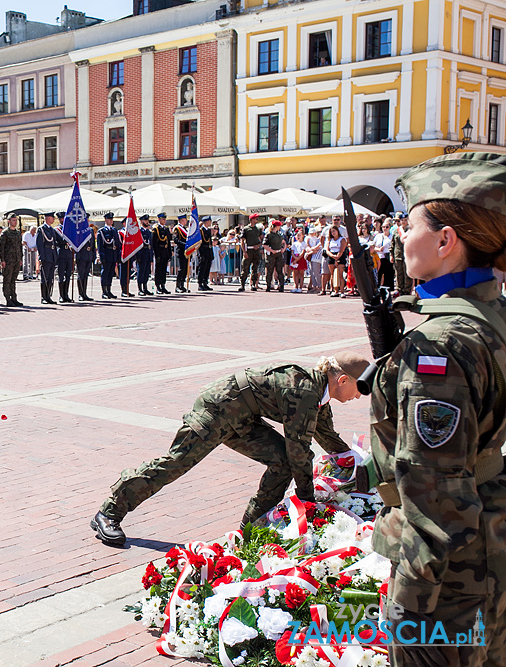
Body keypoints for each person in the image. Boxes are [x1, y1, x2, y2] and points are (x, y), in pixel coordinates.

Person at [363, 152, 506, 665]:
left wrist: (410, 608)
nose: (401, 238)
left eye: (409, 225)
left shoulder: (438, 347)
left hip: (450, 585)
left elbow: (436, 497)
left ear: (446, 241)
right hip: (492, 546)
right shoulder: (492, 312)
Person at [91, 351, 369, 545]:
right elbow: (300, 450)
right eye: (359, 389)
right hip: (217, 410)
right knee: (177, 463)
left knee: (282, 461)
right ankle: (110, 511)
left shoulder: (318, 395)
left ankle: (251, 531)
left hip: (244, 416)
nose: (358, 396)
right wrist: (308, 501)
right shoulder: (306, 393)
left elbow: (328, 437)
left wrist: (358, 466)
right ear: (342, 380)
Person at [0, 213, 24, 307]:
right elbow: (1, 247)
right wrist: (2, 260)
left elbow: (19, 247)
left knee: (13, 280)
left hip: (16, 260)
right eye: (13, 220)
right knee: (7, 280)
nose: (15, 222)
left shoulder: (17, 233)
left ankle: (14, 298)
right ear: (9, 221)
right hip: (8, 260)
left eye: (16, 220)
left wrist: (20, 258)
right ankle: (8, 298)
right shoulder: (5, 233)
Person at [36, 212, 60, 304]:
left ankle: (48, 296)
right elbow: (40, 244)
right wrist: (42, 256)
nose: (53, 219)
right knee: (45, 278)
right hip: (46, 255)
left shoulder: (52, 230)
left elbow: (54, 243)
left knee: (50, 278)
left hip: (52, 256)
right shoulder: (41, 229)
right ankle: (43, 297)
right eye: (51, 217)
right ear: (47, 218)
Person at [97, 213, 120, 299]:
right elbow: (100, 246)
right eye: (109, 219)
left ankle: (109, 290)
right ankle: (104, 291)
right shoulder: (102, 231)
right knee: (105, 274)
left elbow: (117, 244)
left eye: (111, 219)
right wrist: (102, 257)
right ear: (105, 220)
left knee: (111, 274)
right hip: (106, 255)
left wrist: (117, 256)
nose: (111, 221)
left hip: (113, 255)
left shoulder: (114, 230)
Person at [238, 213, 263, 291]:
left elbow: (262, 240)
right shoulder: (246, 229)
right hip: (248, 250)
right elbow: (242, 241)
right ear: (251, 220)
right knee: (245, 268)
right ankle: (242, 285)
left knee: (255, 269)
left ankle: (253, 284)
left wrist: (258, 246)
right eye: (255, 219)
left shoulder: (258, 229)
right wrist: (244, 252)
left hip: (255, 251)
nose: (257, 220)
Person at [324, 224, 348, 297]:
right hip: (331, 256)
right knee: (332, 274)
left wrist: (337, 257)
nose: (333, 233)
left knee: (340, 274)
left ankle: (342, 291)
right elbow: (327, 250)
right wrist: (332, 256)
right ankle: (335, 290)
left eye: (334, 231)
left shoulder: (342, 239)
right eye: (331, 232)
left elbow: (342, 249)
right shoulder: (330, 240)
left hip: (340, 257)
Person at [263, 219, 287, 292]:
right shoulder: (269, 235)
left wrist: (283, 249)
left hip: (278, 254)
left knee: (279, 270)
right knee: (270, 271)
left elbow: (284, 242)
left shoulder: (279, 234)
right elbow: (264, 245)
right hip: (271, 254)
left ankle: (281, 286)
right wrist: (272, 251)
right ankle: (268, 286)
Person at [74, 221, 96, 301]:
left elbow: (93, 243)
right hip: (81, 254)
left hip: (88, 254)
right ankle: (80, 294)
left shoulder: (90, 230)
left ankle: (84, 293)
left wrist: (93, 255)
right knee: (81, 274)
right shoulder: (79, 230)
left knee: (86, 275)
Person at [56, 212, 75, 303]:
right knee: (61, 275)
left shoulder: (70, 229)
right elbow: (59, 241)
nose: (63, 220)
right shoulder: (57, 230)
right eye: (61, 219)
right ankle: (61, 295)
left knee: (68, 275)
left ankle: (66, 294)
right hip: (61, 253)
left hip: (69, 254)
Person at [136, 214, 153, 296]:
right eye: (145, 221)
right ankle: (140, 288)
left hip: (148, 254)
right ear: (141, 221)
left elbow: (151, 244)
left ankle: (145, 287)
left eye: (147, 220)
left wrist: (151, 255)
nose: (147, 222)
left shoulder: (148, 232)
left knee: (146, 272)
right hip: (142, 254)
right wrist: (138, 256)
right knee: (141, 272)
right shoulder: (139, 231)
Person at [173, 214, 190, 293]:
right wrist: (185, 245)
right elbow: (176, 240)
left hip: (186, 251)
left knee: (185, 268)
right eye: (184, 220)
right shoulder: (177, 228)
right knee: (181, 268)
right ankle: (178, 286)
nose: (186, 221)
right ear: (181, 220)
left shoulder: (185, 229)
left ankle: (182, 285)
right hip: (181, 250)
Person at [197, 215, 214, 291]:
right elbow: (200, 243)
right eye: (209, 221)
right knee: (202, 268)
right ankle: (200, 283)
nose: (210, 223)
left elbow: (209, 242)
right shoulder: (201, 231)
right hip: (203, 251)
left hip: (208, 251)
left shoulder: (208, 231)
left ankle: (205, 282)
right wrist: (201, 254)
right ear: (206, 222)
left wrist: (211, 253)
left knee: (207, 268)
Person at [289, 225, 307, 292]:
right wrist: (294, 258)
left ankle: (300, 287)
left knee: (301, 273)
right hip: (295, 257)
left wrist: (298, 258)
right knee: (295, 272)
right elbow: (292, 251)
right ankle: (296, 286)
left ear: (303, 236)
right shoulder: (294, 243)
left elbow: (303, 252)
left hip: (301, 258)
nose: (298, 237)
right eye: (297, 235)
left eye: (300, 235)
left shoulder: (304, 243)